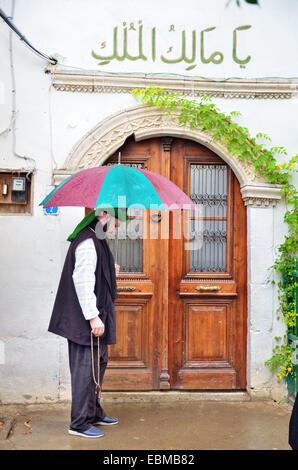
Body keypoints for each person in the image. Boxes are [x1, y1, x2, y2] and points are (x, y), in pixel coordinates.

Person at [48, 207, 128, 438]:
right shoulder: (87, 241)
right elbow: (82, 280)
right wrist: (93, 317)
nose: (118, 227)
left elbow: (93, 273)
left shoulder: (97, 239)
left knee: (98, 365)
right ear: (104, 216)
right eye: (117, 222)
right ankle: (79, 423)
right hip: (85, 320)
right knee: (86, 370)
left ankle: (93, 413)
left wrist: (110, 271)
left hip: (96, 316)